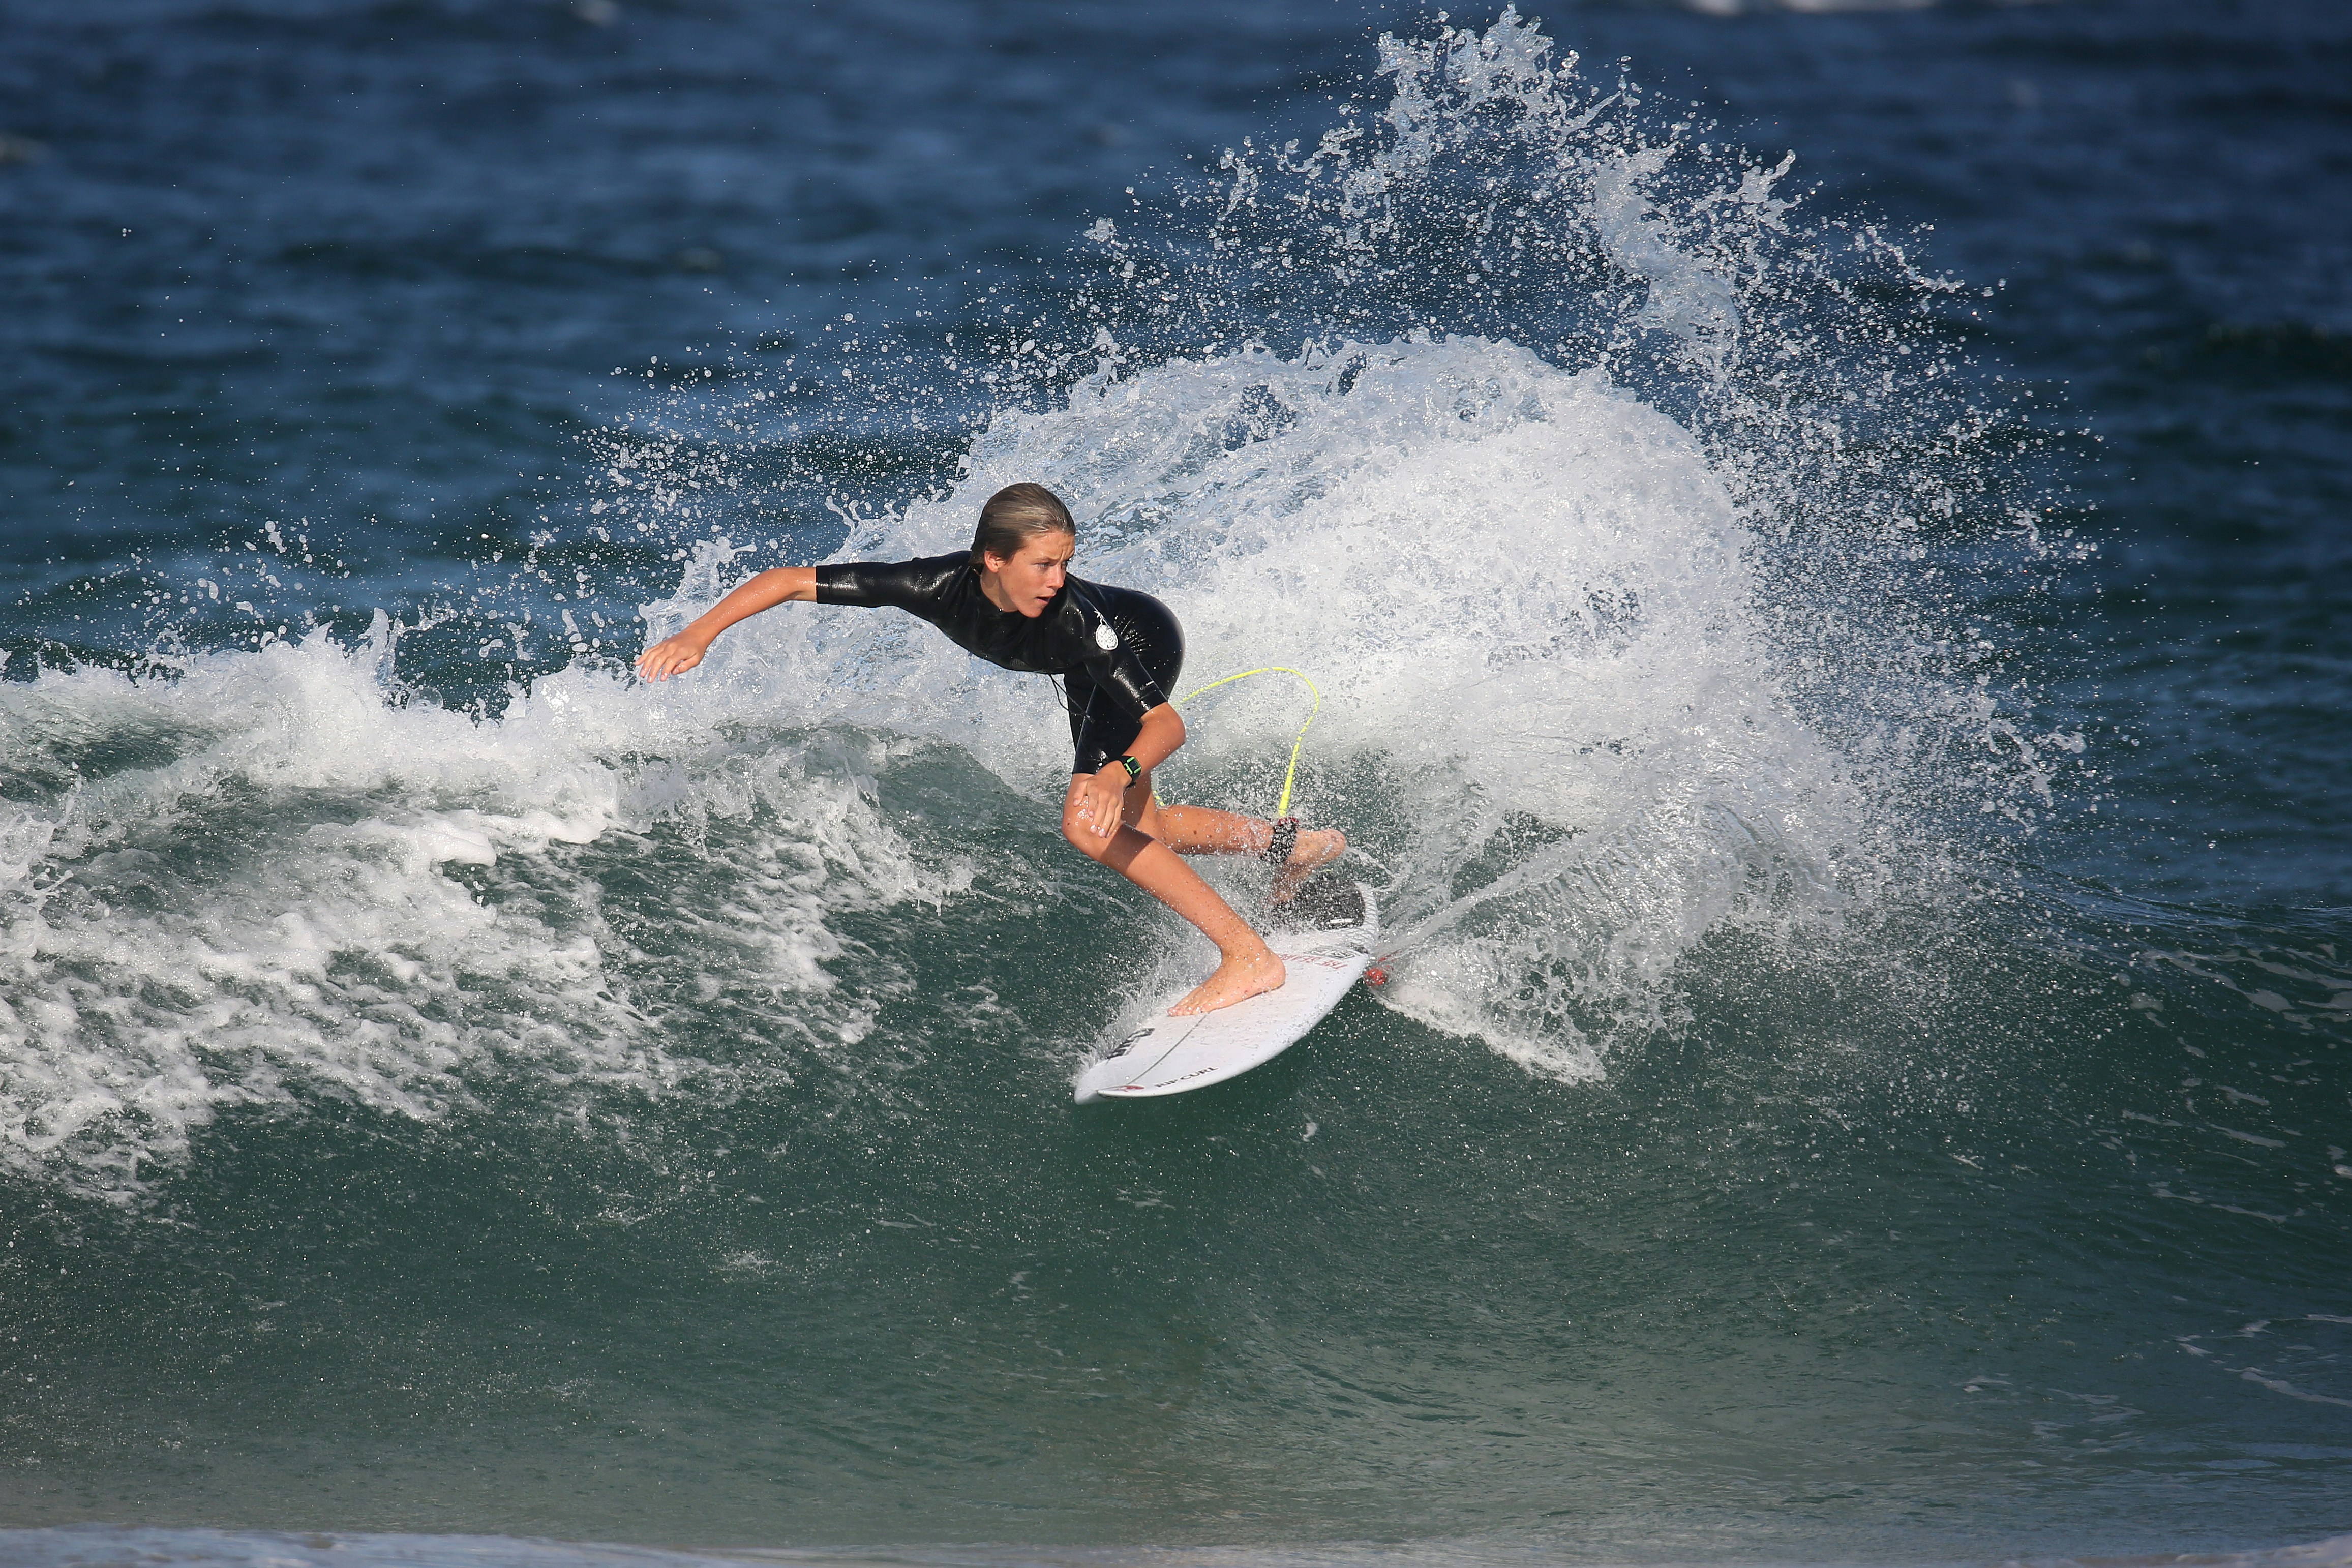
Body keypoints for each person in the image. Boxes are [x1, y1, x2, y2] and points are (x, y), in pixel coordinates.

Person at [635, 482, 1345, 1015]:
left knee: (1087, 821)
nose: (1056, 579)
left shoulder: (1078, 619)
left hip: (1134, 645)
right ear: (992, 560)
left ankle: (1248, 957)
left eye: (1065, 564)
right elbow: (790, 581)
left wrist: (1119, 770)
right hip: (1080, 671)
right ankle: (1293, 844)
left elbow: (1165, 727)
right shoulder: (932, 586)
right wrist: (700, 633)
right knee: (1144, 828)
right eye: (1041, 566)